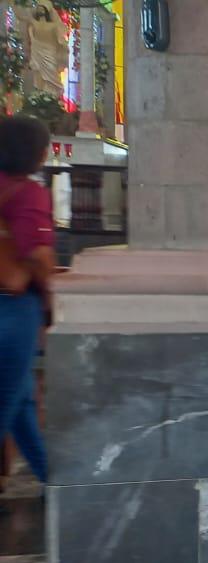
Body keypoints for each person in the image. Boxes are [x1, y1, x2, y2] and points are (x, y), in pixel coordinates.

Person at [0, 116, 53, 485]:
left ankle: (52, 480)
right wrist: (50, 300)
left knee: (19, 404)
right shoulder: (29, 192)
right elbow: (37, 256)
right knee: (5, 404)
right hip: (13, 308)